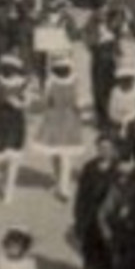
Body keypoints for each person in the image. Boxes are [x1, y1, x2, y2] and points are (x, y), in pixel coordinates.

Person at [73, 134, 121, 269]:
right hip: (90, 222)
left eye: (108, 147)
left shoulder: (119, 169)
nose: (104, 151)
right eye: (101, 147)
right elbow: (81, 197)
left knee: (112, 263)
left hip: (110, 224)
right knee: (89, 263)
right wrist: (79, 221)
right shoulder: (90, 167)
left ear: (115, 149)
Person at [34, 55, 87, 202]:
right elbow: (79, 102)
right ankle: (60, 183)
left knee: (61, 154)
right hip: (65, 120)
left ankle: (63, 186)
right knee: (60, 154)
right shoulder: (73, 81)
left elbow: (45, 101)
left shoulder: (52, 82)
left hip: (56, 119)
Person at [0, 54, 33, 204]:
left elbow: (28, 103)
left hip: (16, 122)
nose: (7, 72)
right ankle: (3, 177)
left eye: (10, 69)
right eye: (5, 68)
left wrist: (18, 103)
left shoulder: (24, 83)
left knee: (13, 158)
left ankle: (9, 190)